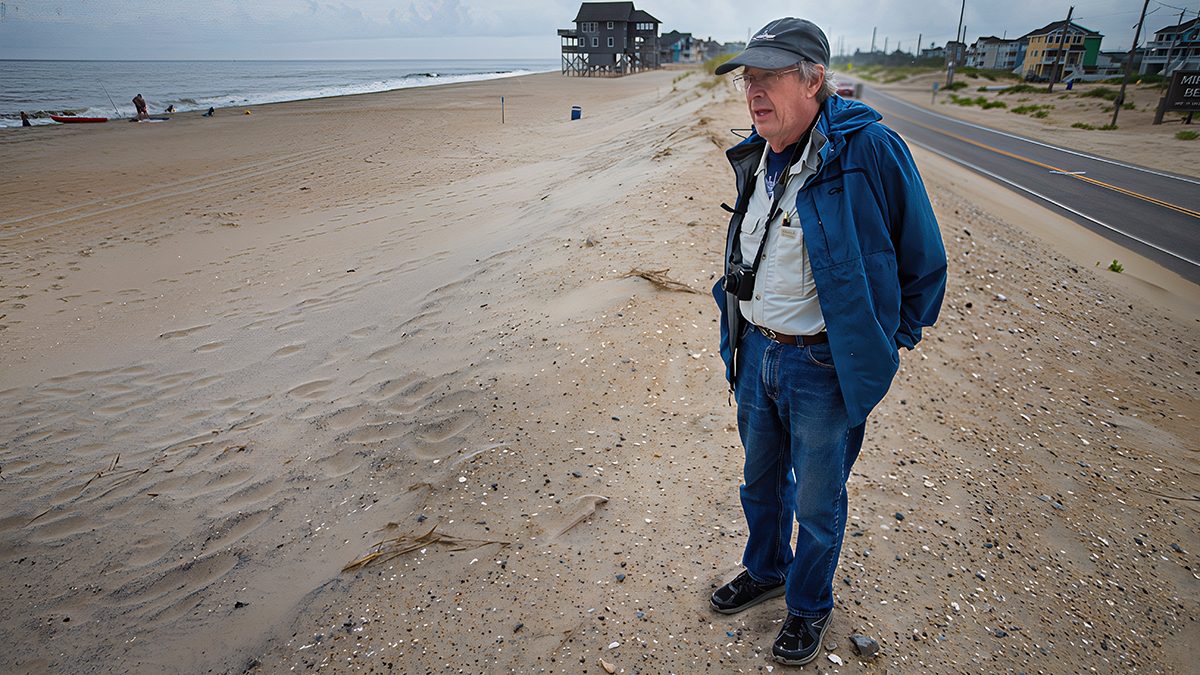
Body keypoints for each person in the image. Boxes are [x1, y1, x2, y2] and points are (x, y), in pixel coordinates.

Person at [709, 17, 946, 666]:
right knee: (759, 484)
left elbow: (923, 261)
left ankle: (808, 606)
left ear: (815, 79)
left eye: (769, 77)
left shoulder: (869, 150)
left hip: (823, 366)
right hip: (757, 352)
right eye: (748, 79)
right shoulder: (759, 150)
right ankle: (766, 567)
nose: (754, 91)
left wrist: (886, 341)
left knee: (817, 503)